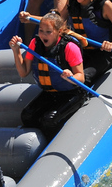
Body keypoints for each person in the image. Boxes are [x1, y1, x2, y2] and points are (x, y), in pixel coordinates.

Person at [10, 11, 86, 139]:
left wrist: (71, 77)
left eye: (48, 32)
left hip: (72, 93)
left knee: (49, 119)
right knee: (27, 116)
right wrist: (16, 51)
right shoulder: (35, 43)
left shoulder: (70, 47)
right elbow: (24, 72)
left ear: (59, 32)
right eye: (41, 30)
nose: (43, 35)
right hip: (49, 93)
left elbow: (81, 77)